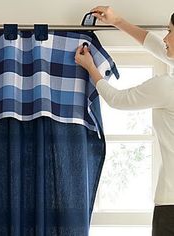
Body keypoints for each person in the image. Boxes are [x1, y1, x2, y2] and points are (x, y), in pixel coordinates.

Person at [75, 6, 174, 236]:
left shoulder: (167, 87)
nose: (165, 38)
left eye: (170, 31)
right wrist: (117, 20)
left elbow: (118, 99)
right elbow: (158, 48)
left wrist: (91, 67)